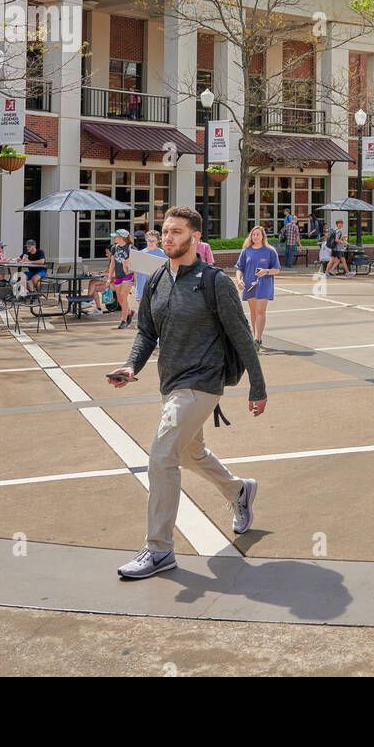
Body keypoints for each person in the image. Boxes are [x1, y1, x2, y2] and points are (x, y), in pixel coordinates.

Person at [108, 206, 266, 581]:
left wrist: (257, 387)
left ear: (194, 237)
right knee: (192, 453)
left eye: (176, 232)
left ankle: (159, 550)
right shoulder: (159, 277)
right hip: (172, 381)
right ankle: (239, 491)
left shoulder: (215, 282)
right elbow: (146, 332)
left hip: (203, 382)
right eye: (164, 231)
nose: (167, 238)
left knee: (162, 456)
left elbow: (242, 337)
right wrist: (132, 367)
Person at [235, 225, 279, 350]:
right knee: (254, 312)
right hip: (249, 284)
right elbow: (239, 268)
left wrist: (266, 271)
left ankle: (257, 339)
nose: (255, 236)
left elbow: (276, 270)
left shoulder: (270, 251)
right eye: (253, 234)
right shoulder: (246, 251)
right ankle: (256, 337)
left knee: (260, 311)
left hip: (264, 285)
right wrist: (239, 280)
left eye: (258, 234)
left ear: (263, 236)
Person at [105, 229, 136, 329]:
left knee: (123, 296)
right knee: (120, 299)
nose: (114, 238)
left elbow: (136, 265)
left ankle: (124, 320)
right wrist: (109, 278)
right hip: (118, 276)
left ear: (122, 237)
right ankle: (130, 312)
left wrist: (135, 279)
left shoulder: (131, 248)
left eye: (116, 236)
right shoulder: (114, 248)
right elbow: (112, 264)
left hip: (128, 275)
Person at [134, 229, 167, 305]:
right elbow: (135, 272)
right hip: (142, 287)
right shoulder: (140, 254)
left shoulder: (164, 254)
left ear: (158, 241)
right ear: (146, 240)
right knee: (143, 314)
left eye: (153, 241)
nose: (151, 243)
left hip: (157, 288)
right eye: (149, 240)